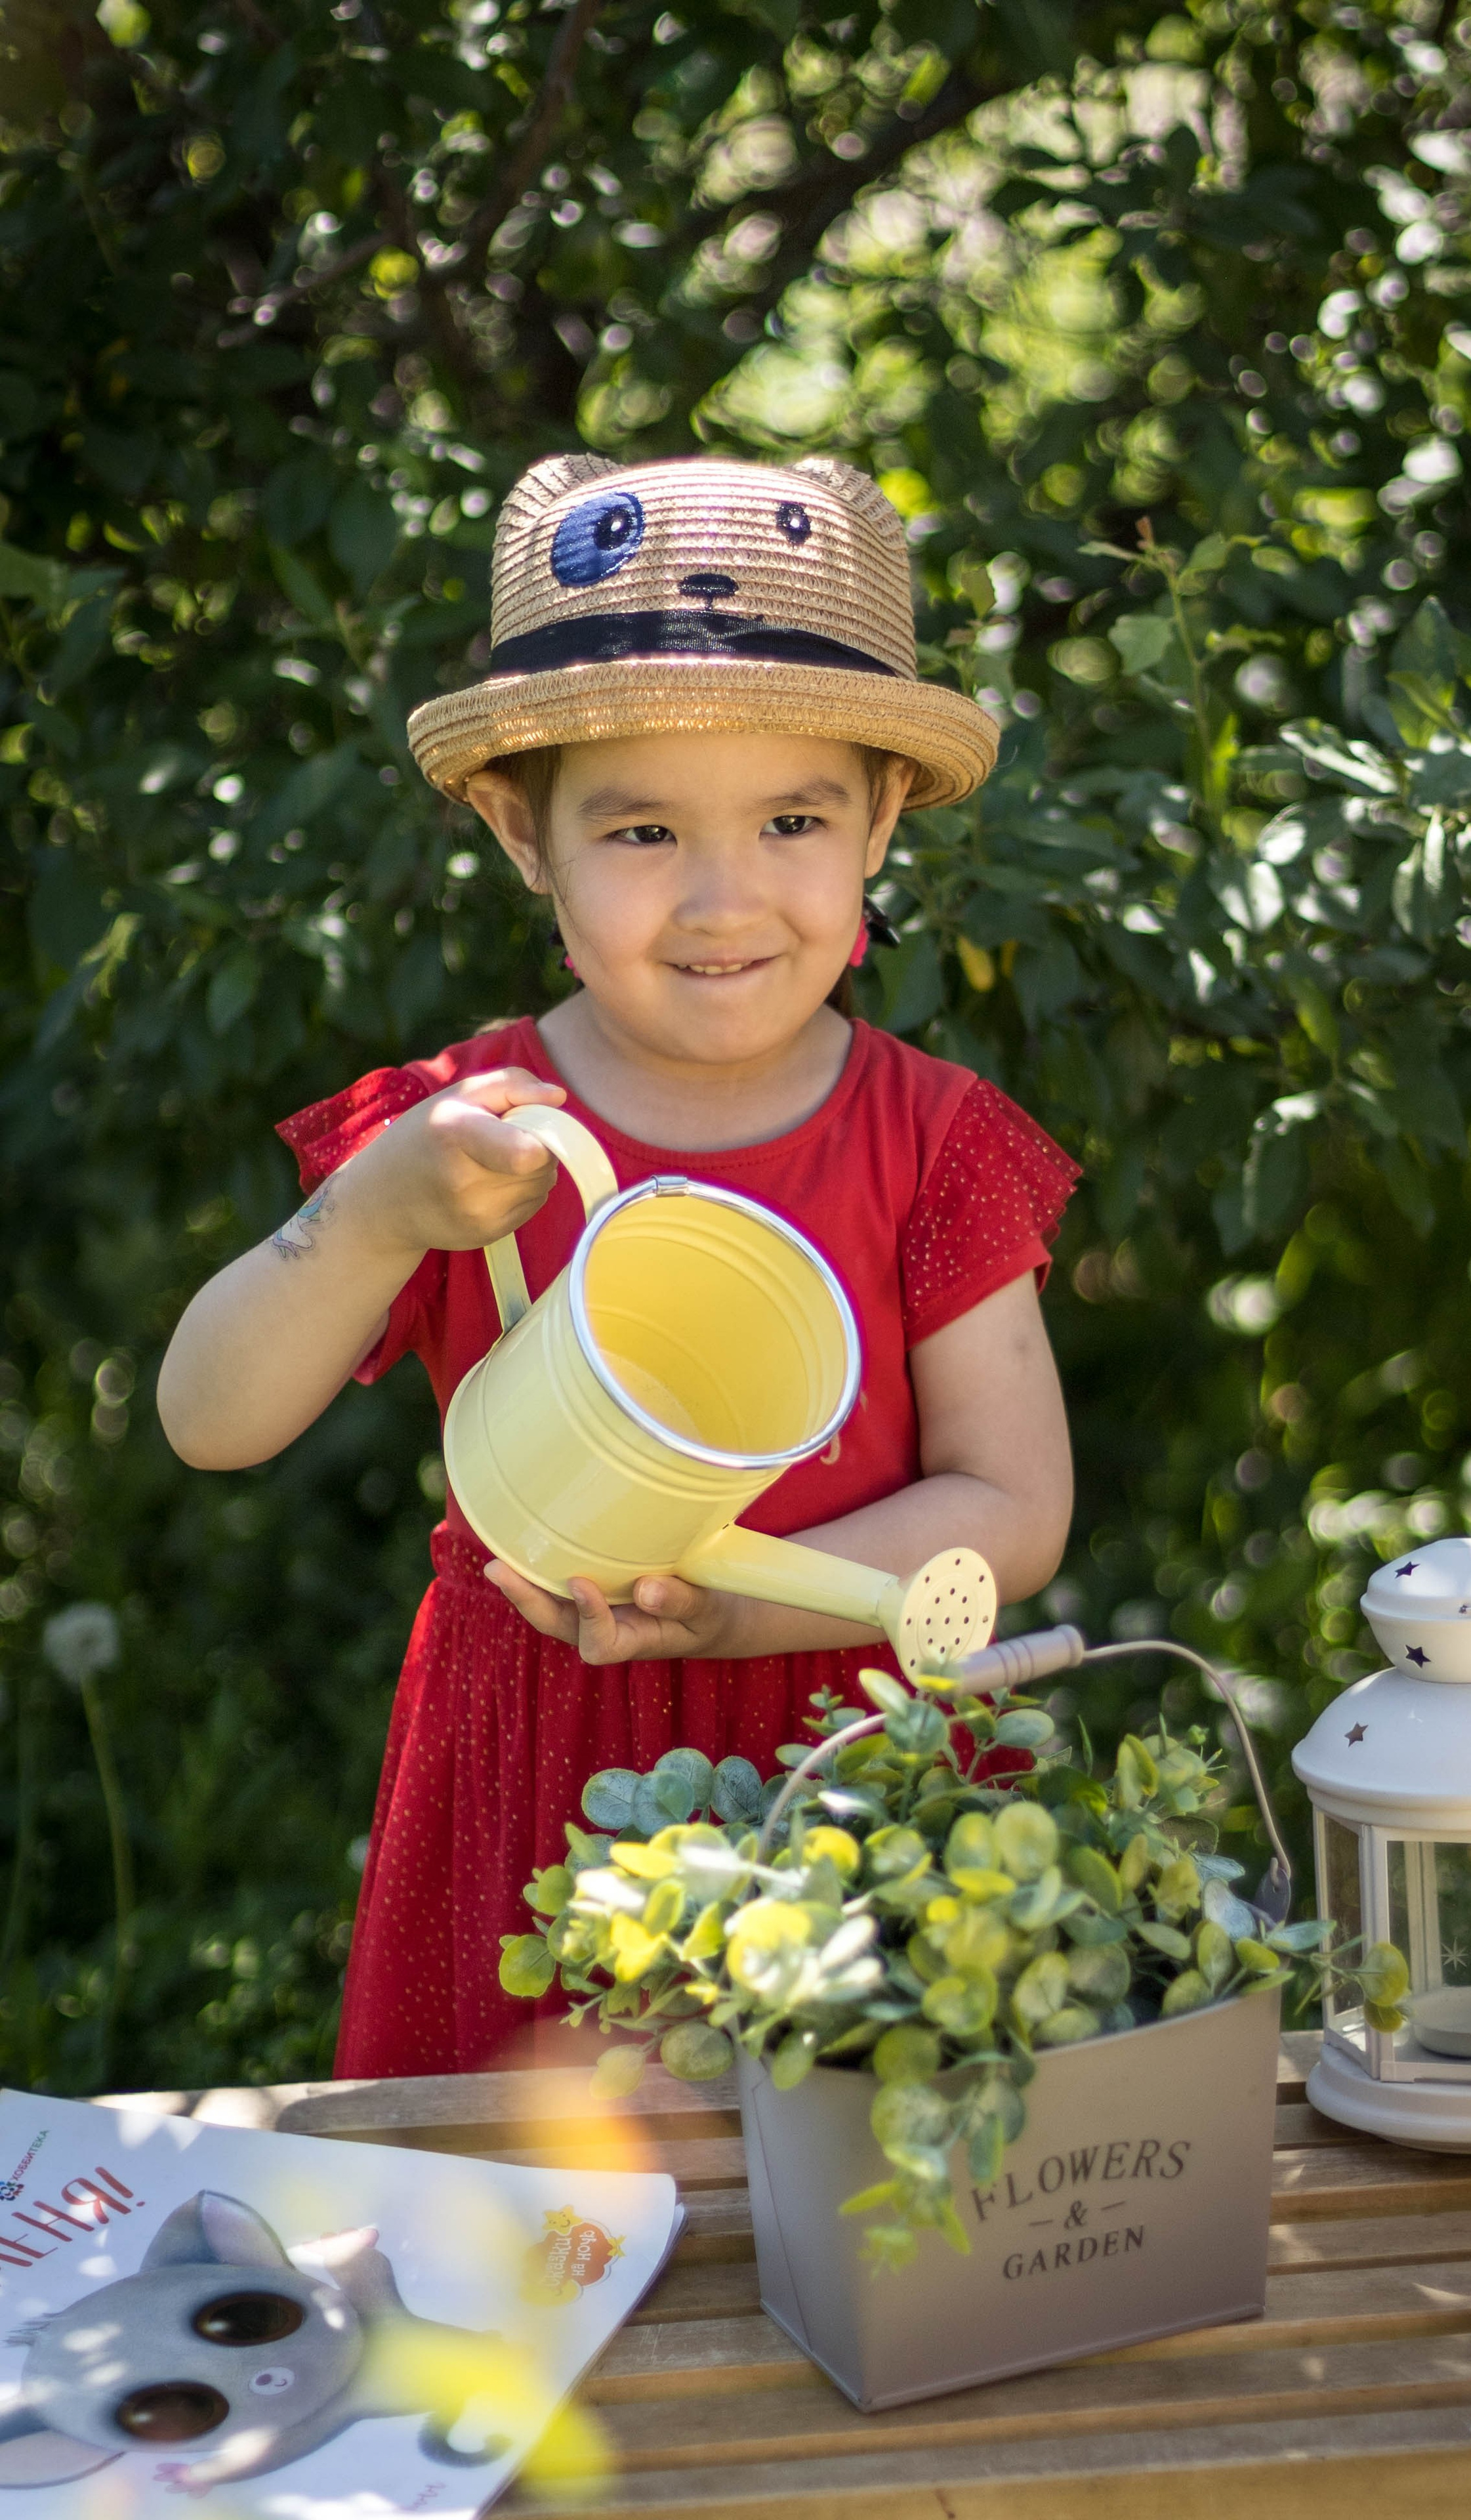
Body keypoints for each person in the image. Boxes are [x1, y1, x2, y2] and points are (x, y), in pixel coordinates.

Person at [157, 450, 1079, 2079]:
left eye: (792, 818)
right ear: (526, 838)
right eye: (642, 827)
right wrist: (366, 1220)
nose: (723, 898)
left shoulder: (932, 1142)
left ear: (876, 819)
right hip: (539, 1768)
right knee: (526, 2236)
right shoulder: (466, 1141)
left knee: (865, 2219)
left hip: (845, 1753)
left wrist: (742, 1610)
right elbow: (208, 1418)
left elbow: (1010, 1508)